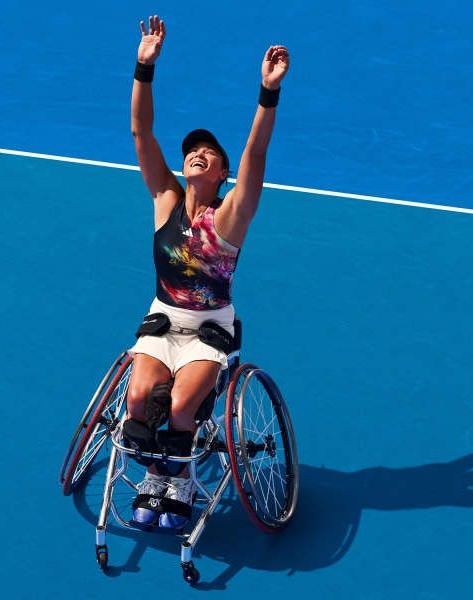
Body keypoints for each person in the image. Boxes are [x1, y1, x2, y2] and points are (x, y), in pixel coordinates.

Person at [125, 15, 289, 529]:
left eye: (210, 153)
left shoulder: (232, 217)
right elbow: (140, 129)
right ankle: (156, 476)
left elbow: (256, 152)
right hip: (161, 320)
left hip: (209, 332)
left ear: (222, 174)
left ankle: (182, 481)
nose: (198, 152)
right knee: (135, 403)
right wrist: (144, 67)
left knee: (177, 409)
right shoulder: (165, 199)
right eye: (192, 150)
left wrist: (267, 93)